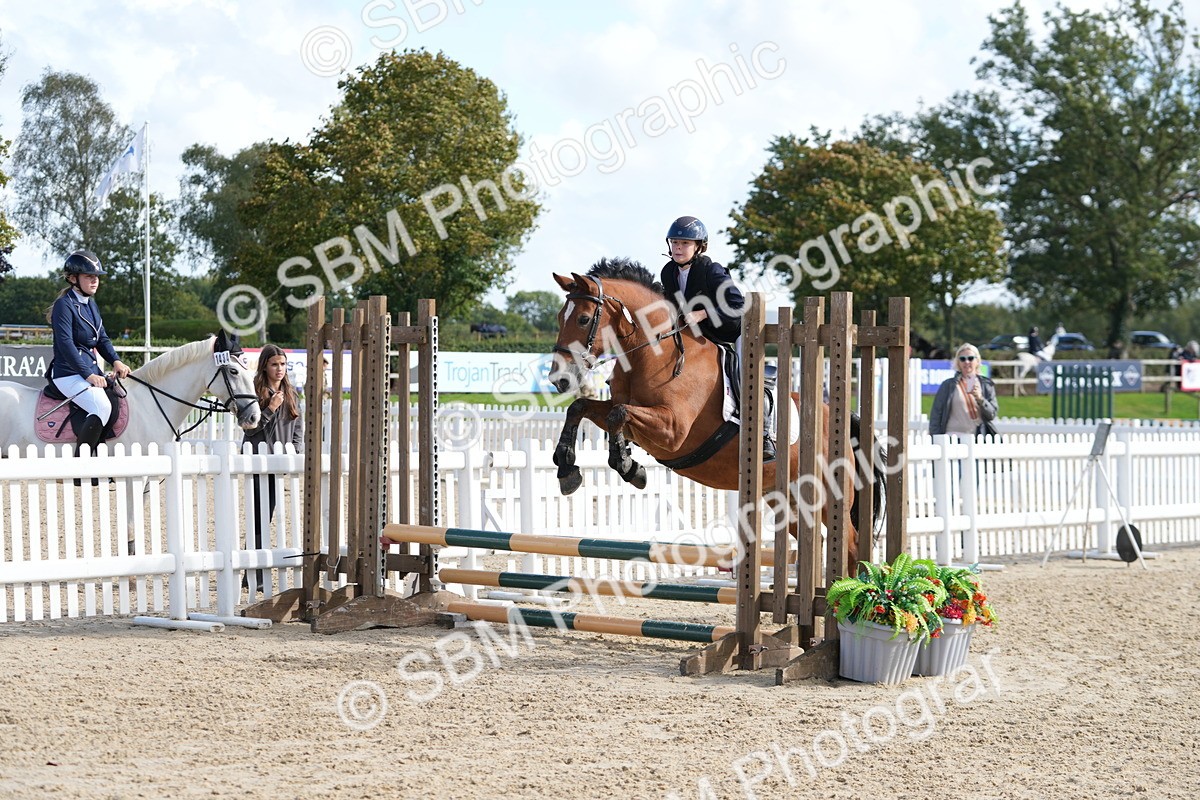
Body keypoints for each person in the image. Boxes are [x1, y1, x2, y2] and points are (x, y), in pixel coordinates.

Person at [658, 215, 776, 459]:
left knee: (746, 373)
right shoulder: (668, 272)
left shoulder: (711, 270)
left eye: (685, 244)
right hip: (704, 337)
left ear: (699, 246)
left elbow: (738, 307)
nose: (678, 248)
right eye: (675, 243)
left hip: (736, 331)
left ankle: (764, 435)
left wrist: (703, 313)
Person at [46, 250, 131, 463]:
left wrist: (116, 360)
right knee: (101, 406)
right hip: (68, 374)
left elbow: (101, 338)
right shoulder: (63, 306)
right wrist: (88, 375)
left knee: (117, 397)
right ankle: (79, 465)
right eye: (89, 276)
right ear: (73, 279)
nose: (95, 281)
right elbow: (65, 345)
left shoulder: (91, 304)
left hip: (89, 372)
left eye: (97, 277)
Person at [242, 344, 304, 593]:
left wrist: (296, 453)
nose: (280, 369)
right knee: (258, 517)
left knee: (265, 518)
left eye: (283, 364)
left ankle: (251, 572)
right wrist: (270, 409)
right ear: (265, 366)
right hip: (257, 460)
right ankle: (251, 572)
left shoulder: (291, 393)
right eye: (274, 364)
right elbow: (249, 427)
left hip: (279, 463)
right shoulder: (254, 391)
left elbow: (298, 427)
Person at [929, 343, 999, 439]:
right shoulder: (948, 385)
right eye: (962, 359)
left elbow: (992, 415)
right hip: (952, 438)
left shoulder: (986, 385)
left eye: (970, 358)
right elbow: (936, 416)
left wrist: (980, 399)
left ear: (977, 361)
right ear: (958, 362)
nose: (966, 362)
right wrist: (936, 438)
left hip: (977, 438)